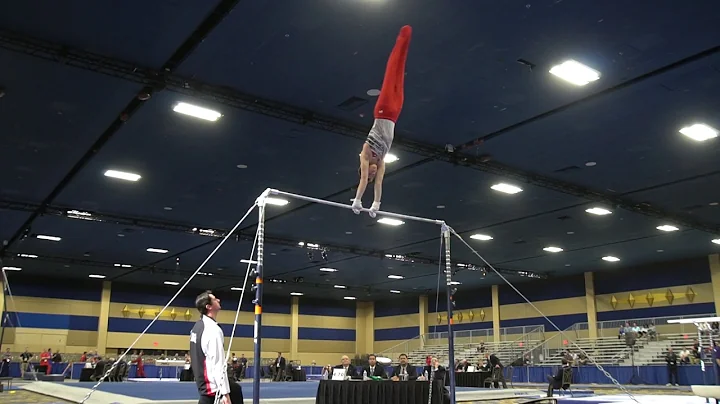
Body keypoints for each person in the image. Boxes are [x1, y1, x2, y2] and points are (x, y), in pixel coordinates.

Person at [352, 25, 412, 217]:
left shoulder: (365, 156)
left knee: (391, 72)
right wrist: (376, 204)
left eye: (368, 173)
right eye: (372, 175)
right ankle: (407, 43)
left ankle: (402, 38)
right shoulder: (383, 162)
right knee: (400, 75)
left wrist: (359, 200)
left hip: (383, 110)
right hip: (395, 114)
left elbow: (363, 181)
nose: (371, 174)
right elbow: (378, 183)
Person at [190, 291, 244, 404]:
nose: (218, 300)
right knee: (234, 391)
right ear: (208, 306)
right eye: (215, 299)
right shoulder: (212, 330)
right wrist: (225, 393)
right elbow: (217, 363)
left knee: (236, 389)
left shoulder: (197, 326)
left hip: (203, 382)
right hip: (211, 386)